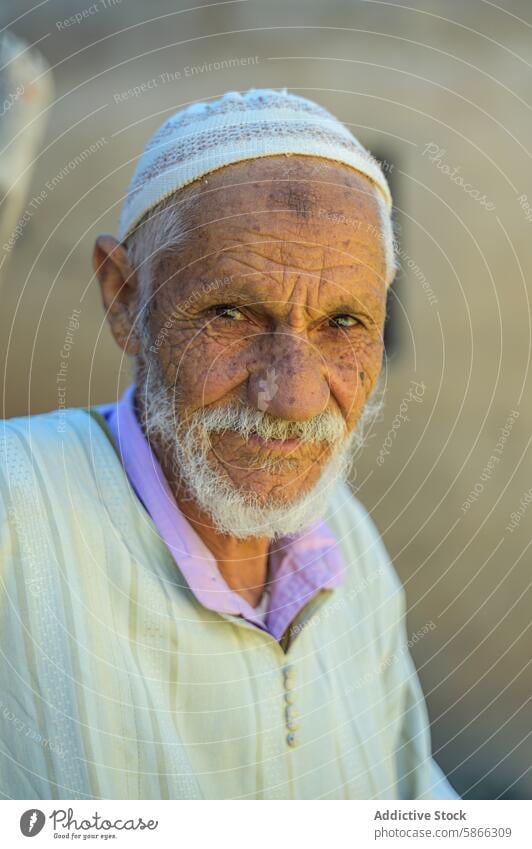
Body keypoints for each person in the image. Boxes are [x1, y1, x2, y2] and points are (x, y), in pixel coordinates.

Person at [0, 89, 459, 800]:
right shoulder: (17, 510)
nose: (295, 396)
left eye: (343, 321)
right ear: (124, 297)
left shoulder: (347, 546)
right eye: (230, 312)